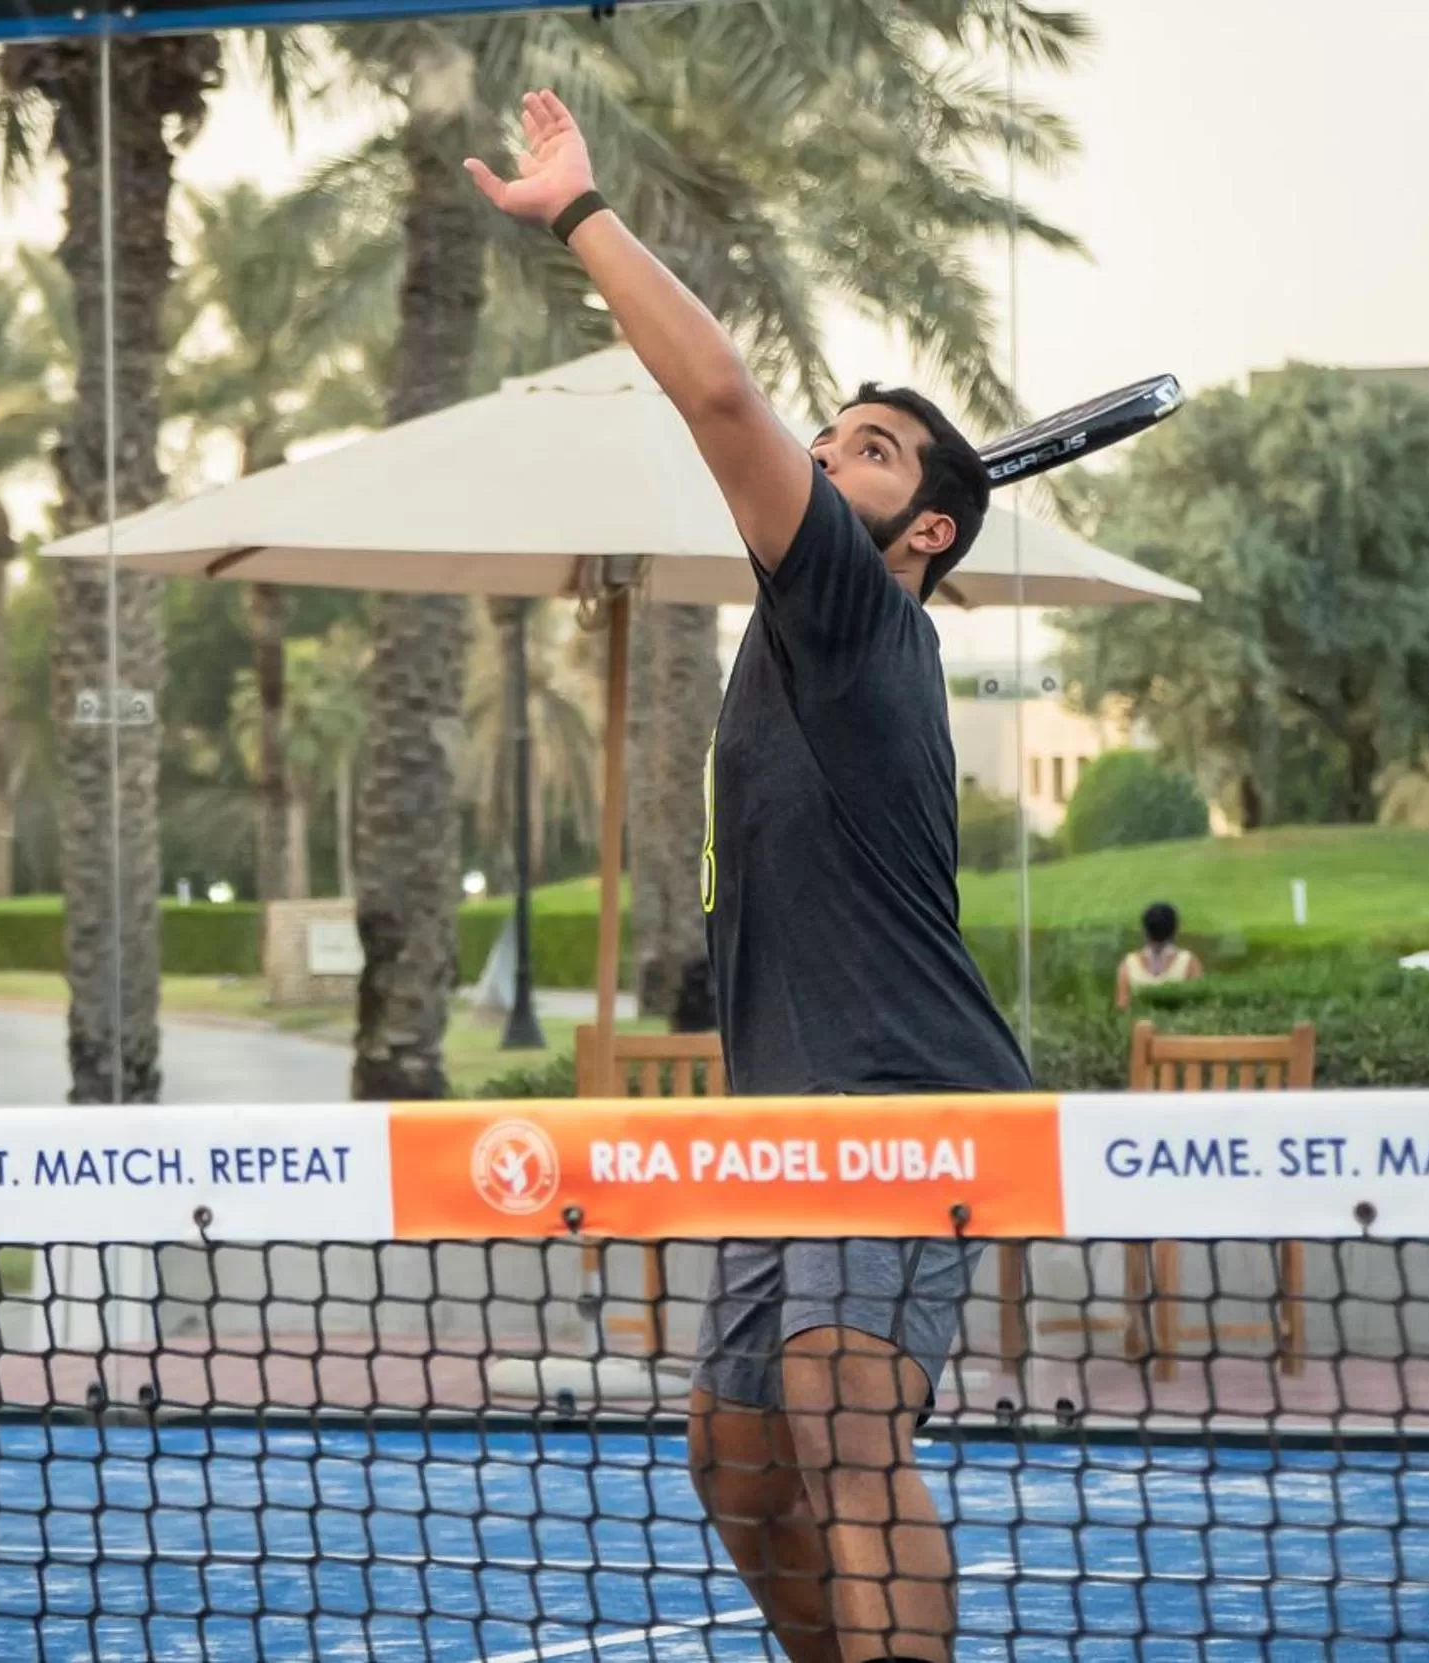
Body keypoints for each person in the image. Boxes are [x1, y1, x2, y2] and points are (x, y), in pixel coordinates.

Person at [469, 93, 1032, 1663]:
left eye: (862, 445)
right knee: (736, 1450)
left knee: (847, 1421)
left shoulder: (857, 608)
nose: (818, 443)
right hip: (787, 1116)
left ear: (917, 527)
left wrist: (583, 214)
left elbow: (719, 395)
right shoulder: (804, 622)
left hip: (906, 1097)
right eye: (831, 424)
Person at [1115, 901, 1203, 1009]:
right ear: (1175, 929)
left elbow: (1122, 1006)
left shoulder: (1129, 963)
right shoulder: (1189, 962)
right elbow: (1198, 1006)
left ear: (1144, 930)